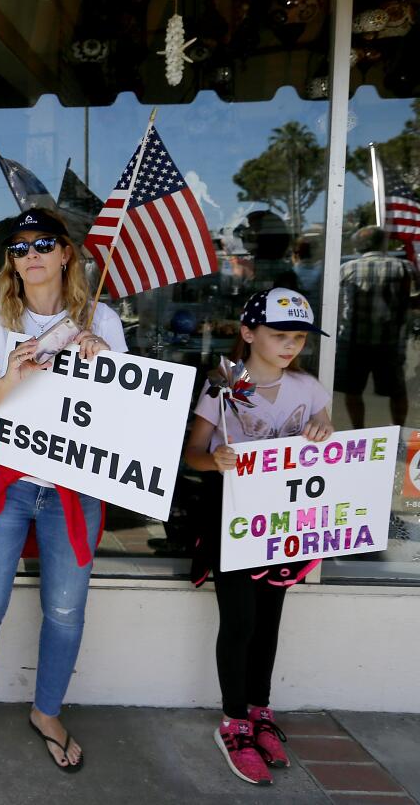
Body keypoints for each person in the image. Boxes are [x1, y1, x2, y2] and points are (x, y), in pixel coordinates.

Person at [0, 208, 126, 771]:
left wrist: (106, 365)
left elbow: (129, 422)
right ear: (10, 264)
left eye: (44, 242)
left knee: (66, 611)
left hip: (74, 489)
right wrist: (11, 378)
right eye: (19, 248)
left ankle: (46, 711)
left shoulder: (103, 319)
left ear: (66, 253)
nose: (32, 254)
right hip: (6, 484)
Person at [183, 287, 333, 786]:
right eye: (279, 334)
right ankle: (233, 721)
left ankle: (259, 709)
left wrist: (320, 432)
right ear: (249, 334)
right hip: (234, 516)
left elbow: (324, 432)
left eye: (298, 338)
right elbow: (193, 451)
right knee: (241, 620)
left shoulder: (309, 389)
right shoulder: (228, 383)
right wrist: (216, 461)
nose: (291, 345)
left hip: (283, 520)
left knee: (269, 618)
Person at [334, 225, 420, 428]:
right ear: (383, 243)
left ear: (358, 246)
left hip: (353, 341)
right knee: (397, 391)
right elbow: (414, 302)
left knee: (353, 391)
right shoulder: (404, 268)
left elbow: (336, 307)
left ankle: (358, 431)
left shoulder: (347, 269)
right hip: (390, 342)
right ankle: (397, 431)